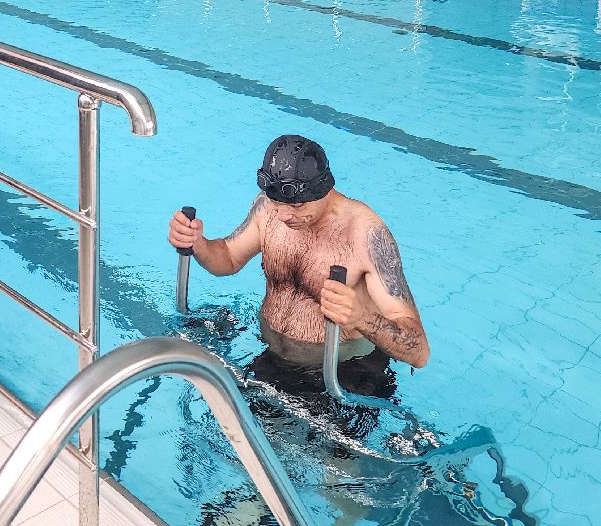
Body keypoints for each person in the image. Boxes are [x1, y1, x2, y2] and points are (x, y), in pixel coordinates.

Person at [167, 134, 429, 399]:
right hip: (272, 360)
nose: (283, 215)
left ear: (323, 189)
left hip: (344, 374)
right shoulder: (268, 209)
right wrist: (198, 243)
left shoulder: (365, 235)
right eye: (276, 203)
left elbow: (419, 352)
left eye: (297, 205)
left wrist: (361, 317)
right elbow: (229, 257)